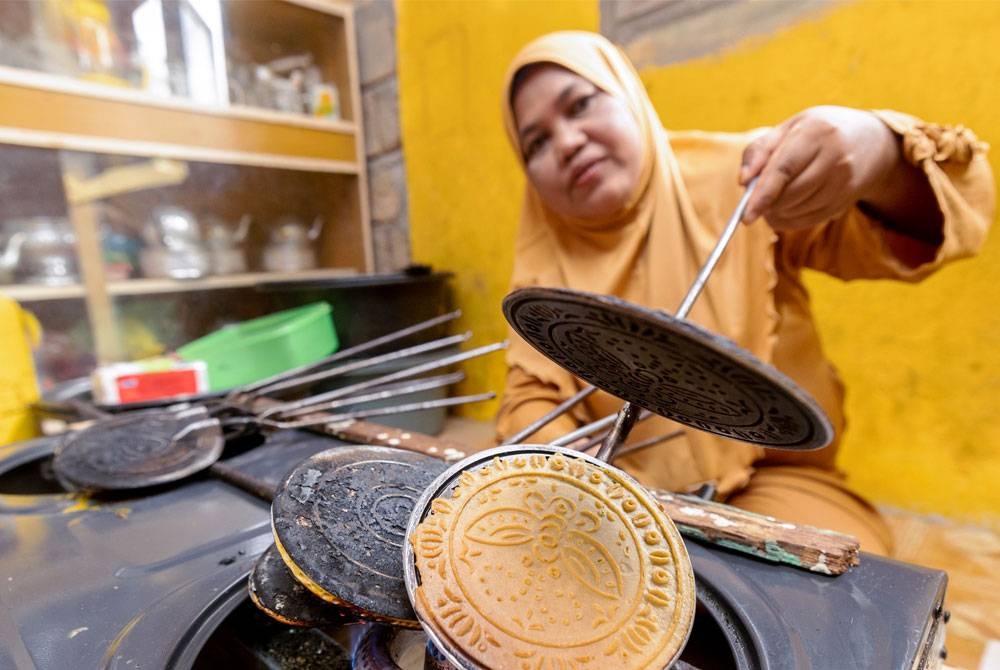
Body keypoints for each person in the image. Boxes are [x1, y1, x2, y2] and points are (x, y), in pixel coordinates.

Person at [494, 31, 994, 556]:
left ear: (628, 96)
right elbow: (532, 393)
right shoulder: (543, 261)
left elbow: (934, 224)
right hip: (622, 491)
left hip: (773, 479)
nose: (568, 142)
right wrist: (558, 453)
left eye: (581, 104)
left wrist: (881, 156)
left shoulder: (749, 182)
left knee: (824, 615)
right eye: (537, 143)